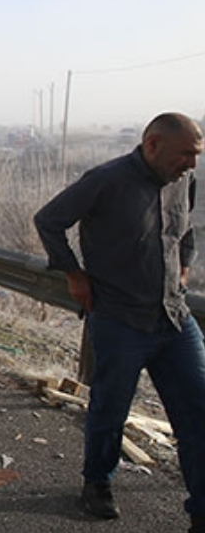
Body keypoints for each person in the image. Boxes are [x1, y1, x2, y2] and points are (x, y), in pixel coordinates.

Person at [34, 112, 205, 530]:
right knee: (110, 408)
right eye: (186, 154)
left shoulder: (184, 181)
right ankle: (97, 483)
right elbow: (49, 221)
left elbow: (185, 233)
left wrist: (183, 266)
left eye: (197, 155)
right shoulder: (106, 180)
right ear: (152, 144)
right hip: (118, 318)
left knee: (198, 410)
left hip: (172, 317)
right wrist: (74, 274)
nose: (193, 164)